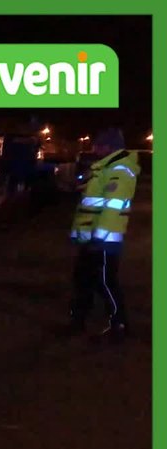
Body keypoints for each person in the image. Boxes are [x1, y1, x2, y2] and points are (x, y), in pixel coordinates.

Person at [67, 127, 139, 341]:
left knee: (105, 281)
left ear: (109, 147)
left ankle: (120, 324)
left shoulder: (119, 170)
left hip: (103, 239)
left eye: (98, 144)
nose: (95, 148)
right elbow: (99, 199)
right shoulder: (107, 168)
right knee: (83, 279)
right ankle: (78, 319)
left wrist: (99, 237)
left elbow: (112, 207)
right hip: (94, 237)